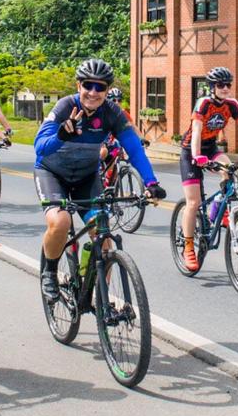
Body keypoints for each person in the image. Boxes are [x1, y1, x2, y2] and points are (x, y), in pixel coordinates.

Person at [32, 59, 164, 301]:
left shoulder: (112, 113)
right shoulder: (64, 107)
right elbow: (40, 147)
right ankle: (49, 273)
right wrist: (61, 134)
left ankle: (101, 299)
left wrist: (151, 183)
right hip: (52, 174)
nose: (93, 92)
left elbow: (134, 149)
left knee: (102, 235)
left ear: (106, 90)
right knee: (60, 222)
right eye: (88, 85)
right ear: (78, 85)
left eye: (100, 87)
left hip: (86, 176)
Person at [178, 67, 238, 271]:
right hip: (191, 151)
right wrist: (196, 156)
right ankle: (188, 247)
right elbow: (196, 130)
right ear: (212, 87)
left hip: (210, 148)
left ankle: (220, 206)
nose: (225, 88)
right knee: (193, 202)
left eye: (228, 84)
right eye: (221, 85)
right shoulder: (204, 103)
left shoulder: (232, 104)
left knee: (229, 168)